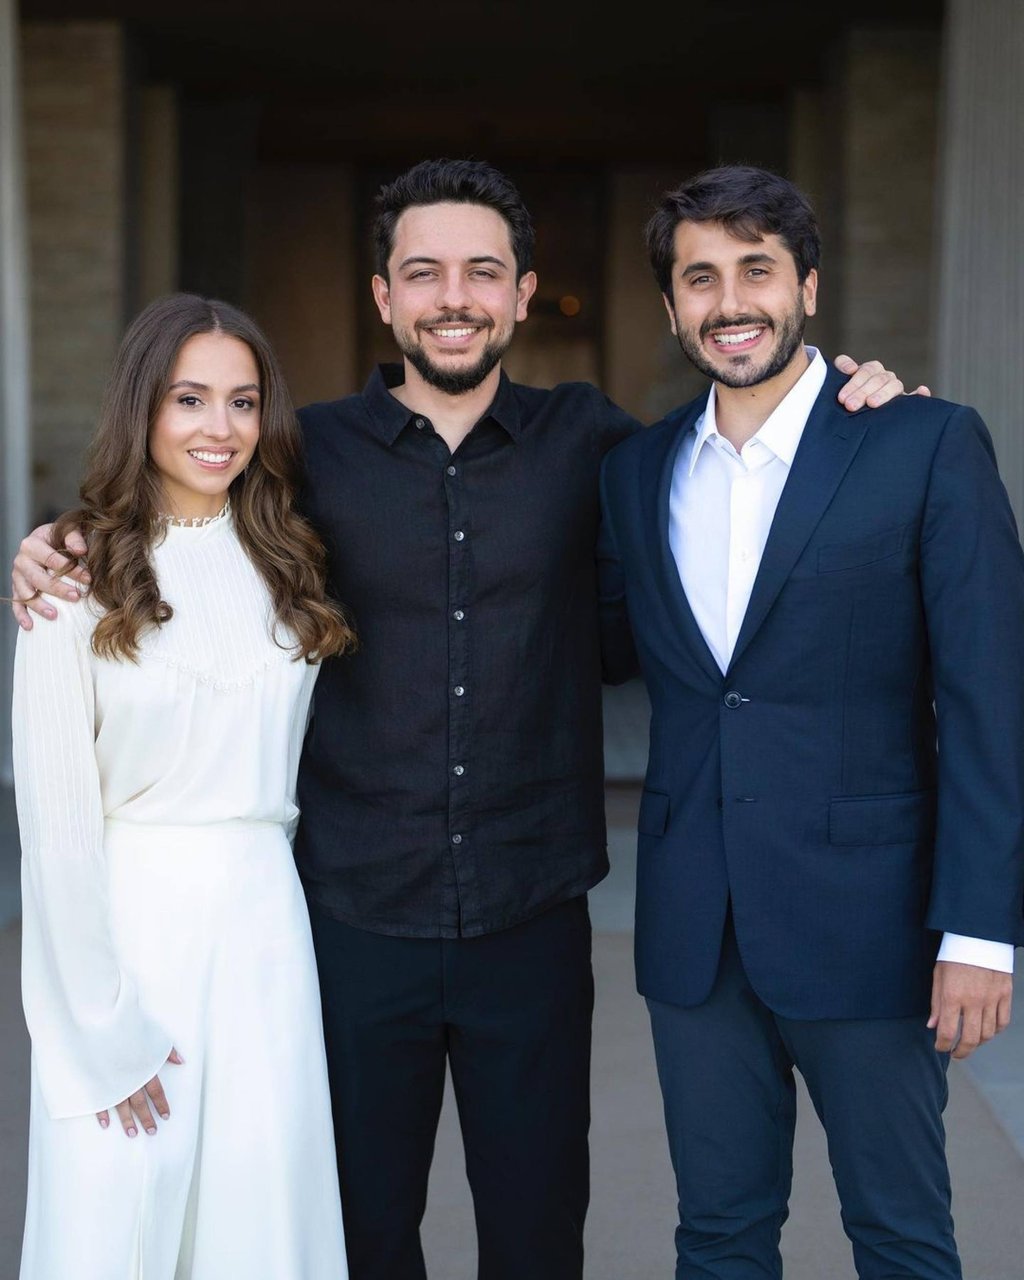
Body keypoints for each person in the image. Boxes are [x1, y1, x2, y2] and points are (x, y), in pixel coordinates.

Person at [11, 159, 910, 1280]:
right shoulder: (305, 454)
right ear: (382, 297)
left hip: (528, 913)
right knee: (356, 1229)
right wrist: (60, 542)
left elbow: (750, 460)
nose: (454, 295)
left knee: (536, 1234)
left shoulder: (600, 443)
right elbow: (182, 500)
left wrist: (858, 399)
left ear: (524, 293)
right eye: (423, 271)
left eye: (483, 271)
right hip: (346, 920)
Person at [598, 164, 1024, 1279]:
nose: (729, 300)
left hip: (872, 926)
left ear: (808, 289)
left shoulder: (921, 444)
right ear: (671, 307)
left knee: (899, 1235)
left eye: (755, 269)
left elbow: (991, 696)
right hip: (695, 931)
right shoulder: (636, 472)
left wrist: (980, 930)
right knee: (720, 1237)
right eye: (700, 277)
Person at [11, 294, 352, 1279]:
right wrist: (96, 1022)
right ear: (140, 409)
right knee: (117, 1218)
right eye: (189, 398)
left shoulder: (289, 557)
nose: (220, 427)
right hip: (131, 932)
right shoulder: (76, 574)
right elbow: (58, 824)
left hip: (263, 931)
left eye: (243, 402)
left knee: (260, 1219)